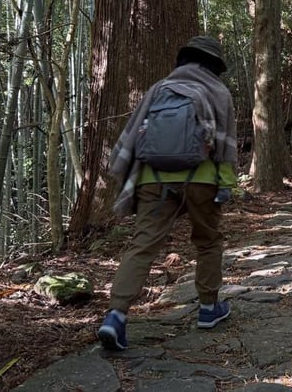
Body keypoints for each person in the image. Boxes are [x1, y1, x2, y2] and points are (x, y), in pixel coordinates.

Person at [97, 36, 239, 351]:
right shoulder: (218, 91)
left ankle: (116, 315)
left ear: (184, 59)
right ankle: (207, 308)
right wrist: (226, 184)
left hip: (153, 179)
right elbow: (226, 143)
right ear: (214, 65)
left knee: (142, 245)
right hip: (201, 178)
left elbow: (134, 133)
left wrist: (123, 172)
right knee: (208, 240)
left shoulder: (159, 88)